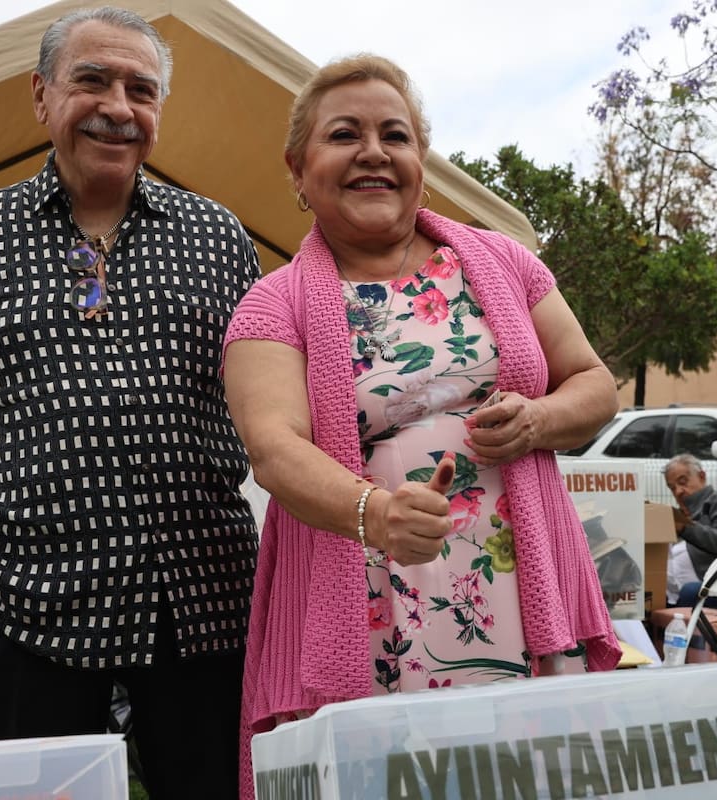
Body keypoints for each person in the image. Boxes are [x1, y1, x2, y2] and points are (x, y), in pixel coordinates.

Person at [0, 7, 260, 797]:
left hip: (201, 595)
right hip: (25, 597)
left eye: (141, 90)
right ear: (41, 95)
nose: (118, 107)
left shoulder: (220, 237)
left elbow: (265, 392)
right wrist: (23, 494)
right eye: (92, 80)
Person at [222, 54, 621, 798]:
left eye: (395, 135)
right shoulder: (271, 305)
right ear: (298, 169)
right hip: (370, 601)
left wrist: (537, 418)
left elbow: (595, 384)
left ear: (421, 161)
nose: (374, 152)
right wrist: (374, 514)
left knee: (531, 776)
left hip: (516, 590)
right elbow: (274, 450)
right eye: (345, 134)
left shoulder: (504, 261)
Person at [663, 453, 717, 606]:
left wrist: (685, 528)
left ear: (702, 476)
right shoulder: (679, 514)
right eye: (672, 488)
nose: (678, 491)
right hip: (672, 592)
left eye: (682, 482)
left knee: (690, 591)